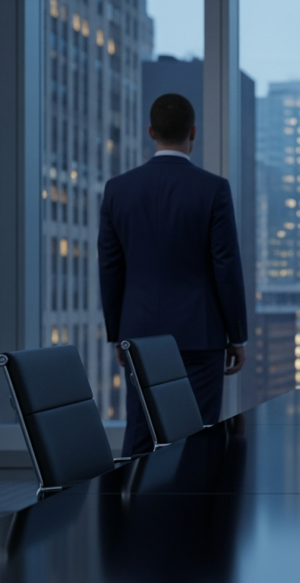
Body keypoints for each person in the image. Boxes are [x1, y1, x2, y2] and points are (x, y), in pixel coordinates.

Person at [98, 93, 247, 457]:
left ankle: (135, 511)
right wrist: (237, 336)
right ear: (192, 132)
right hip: (201, 334)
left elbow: (110, 267)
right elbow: (225, 265)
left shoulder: (118, 190)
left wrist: (118, 334)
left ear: (151, 131)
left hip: (140, 334)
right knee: (198, 438)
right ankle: (191, 514)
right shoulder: (214, 189)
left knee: (142, 434)